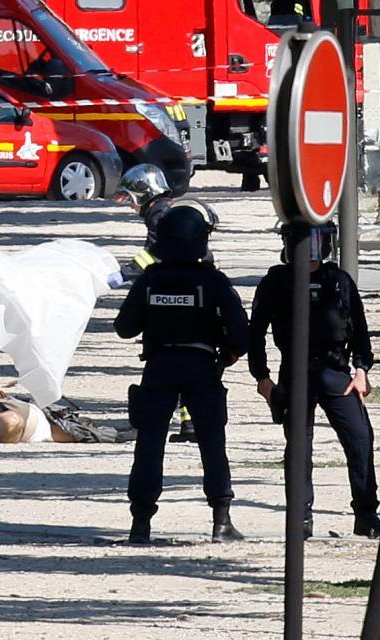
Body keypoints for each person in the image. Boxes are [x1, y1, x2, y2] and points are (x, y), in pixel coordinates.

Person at [114, 203, 251, 544]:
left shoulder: (149, 281)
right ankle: (221, 521)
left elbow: (124, 328)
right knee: (212, 443)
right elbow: (241, 334)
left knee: (149, 445)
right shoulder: (213, 281)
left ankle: (140, 523)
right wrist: (228, 351)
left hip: (159, 366)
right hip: (201, 365)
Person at [248, 223, 380, 540]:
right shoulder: (276, 281)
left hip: (337, 373)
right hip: (295, 372)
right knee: (299, 448)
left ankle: (366, 515)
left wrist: (362, 370)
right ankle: (301, 519)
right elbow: (255, 333)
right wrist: (262, 378)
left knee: (360, 438)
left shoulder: (338, 280)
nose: (310, 249)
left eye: (316, 241)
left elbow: (360, 330)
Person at [112, 163, 203, 443]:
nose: (131, 205)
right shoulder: (167, 211)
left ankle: (152, 420)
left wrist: (124, 274)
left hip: (173, 293)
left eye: (131, 198)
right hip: (191, 293)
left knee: (164, 359)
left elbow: (153, 253)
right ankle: (190, 424)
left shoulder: (159, 215)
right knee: (190, 363)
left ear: (144, 192)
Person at [0, 391, 132, 443]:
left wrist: (138, 432)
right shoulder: (67, 426)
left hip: (29, 423)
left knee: (11, 421)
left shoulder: (70, 429)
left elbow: (108, 434)